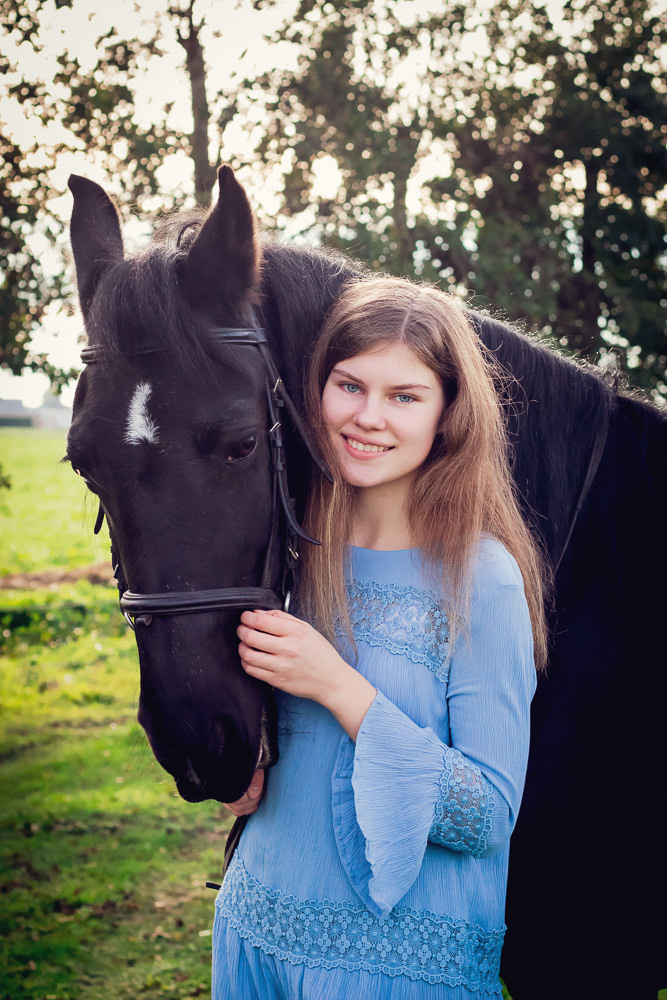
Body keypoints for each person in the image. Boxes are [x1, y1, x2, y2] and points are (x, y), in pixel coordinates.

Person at [211, 276, 548, 999]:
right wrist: (239, 767)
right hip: (253, 933)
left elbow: (485, 815)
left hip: (390, 966)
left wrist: (336, 685)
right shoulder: (288, 553)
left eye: (404, 396)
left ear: (447, 416)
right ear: (315, 390)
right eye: (348, 385)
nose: (368, 417)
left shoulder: (478, 577)